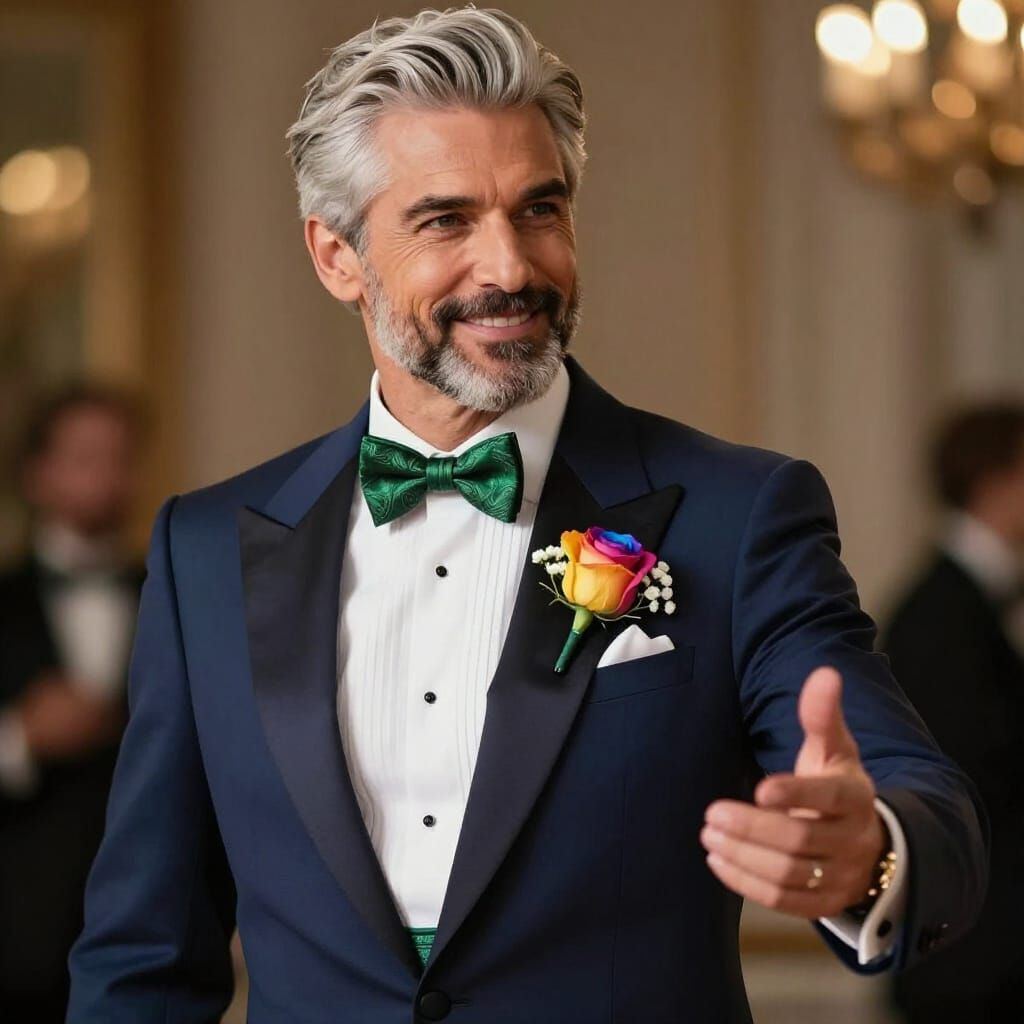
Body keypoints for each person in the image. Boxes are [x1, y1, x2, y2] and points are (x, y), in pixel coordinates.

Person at [68, 9, 986, 1023]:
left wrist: (868, 854)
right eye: (445, 220)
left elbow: (918, 798)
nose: (509, 268)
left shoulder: (737, 514)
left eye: (538, 209)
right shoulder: (204, 551)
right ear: (336, 256)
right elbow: (143, 951)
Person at [0, 385, 143, 1022]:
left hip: (145, 932)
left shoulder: (177, 592)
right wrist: (21, 737)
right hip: (16, 938)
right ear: (37, 473)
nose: (105, 477)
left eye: (119, 458)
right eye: (84, 457)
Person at [882, 402, 1024, 1024]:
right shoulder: (940, 615)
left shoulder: (968, 605)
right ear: (998, 483)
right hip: (973, 962)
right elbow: (972, 779)